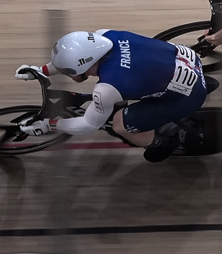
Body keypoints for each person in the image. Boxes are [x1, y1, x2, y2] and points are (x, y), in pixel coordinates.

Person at [22, 27, 207, 163]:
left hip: (187, 97)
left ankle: (161, 143)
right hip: (186, 59)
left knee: (120, 125)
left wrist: (49, 125)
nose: (65, 73)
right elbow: (72, 60)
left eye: (67, 71)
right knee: (126, 86)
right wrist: (40, 70)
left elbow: (88, 126)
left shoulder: (107, 88)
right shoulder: (103, 35)